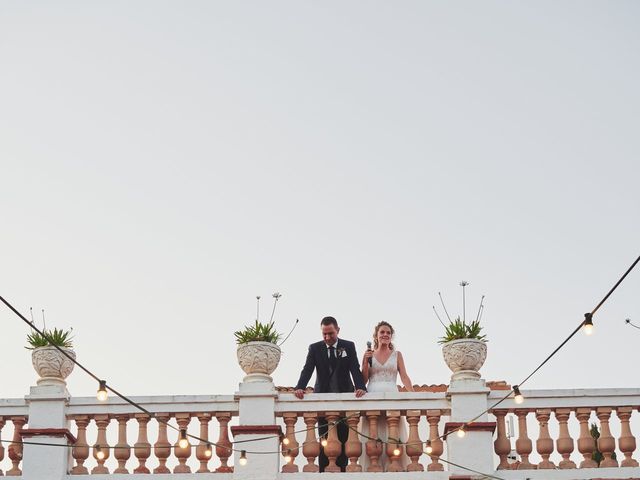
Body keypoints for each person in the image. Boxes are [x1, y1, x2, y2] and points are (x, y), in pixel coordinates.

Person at [294, 316, 366, 472]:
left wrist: (360, 387)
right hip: (323, 401)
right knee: (324, 439)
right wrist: (300, 387)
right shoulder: (314, 348)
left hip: (344, 400)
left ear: (338, 330)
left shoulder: (348, 346)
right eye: (324, 334)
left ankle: (342, 472)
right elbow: (307, 369)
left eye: (330, 334)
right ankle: (323, 472)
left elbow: (354, 368)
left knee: (344, 438)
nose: (327, 337)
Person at [359, 321, 414, 471]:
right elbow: (363, 380)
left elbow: (404, 377)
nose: (385, 335)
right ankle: (374, 466)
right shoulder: (369, 354)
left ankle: (394, 466)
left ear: (391, 336)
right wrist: (364, 362)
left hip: (392, 395)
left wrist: (413, 394)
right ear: (376, 335)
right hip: (372, 396)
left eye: (388, 333)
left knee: (392, 432)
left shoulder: (397, 355)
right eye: (382, 332)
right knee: (373, 432)